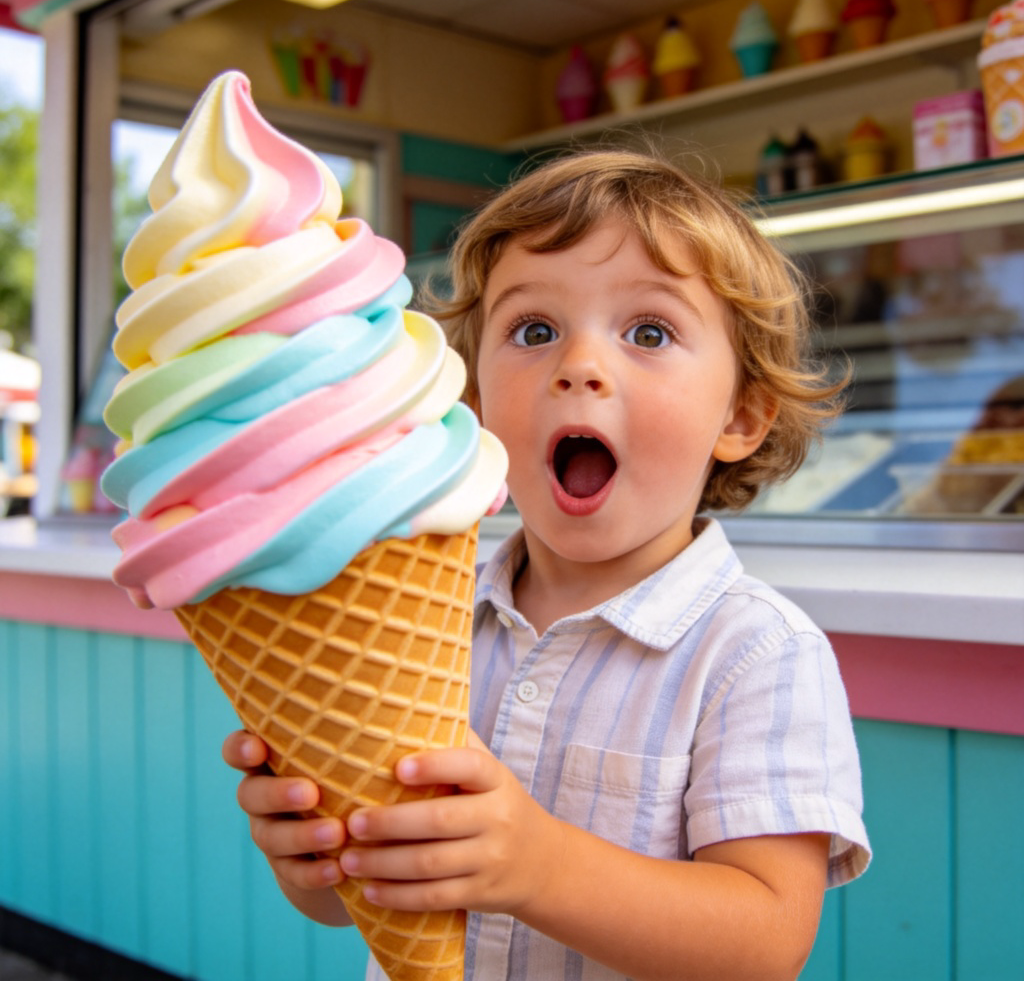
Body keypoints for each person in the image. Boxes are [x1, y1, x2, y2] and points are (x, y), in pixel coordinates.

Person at [222, 149, 871, 981]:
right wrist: (312, 855)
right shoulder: (430, 613)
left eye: (649, 331)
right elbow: (355, 900)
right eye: (534, 331)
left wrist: (541, 868)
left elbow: (767, 941)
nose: (579, 365)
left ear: (741, 414)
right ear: (475, 401)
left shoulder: (758, 654)